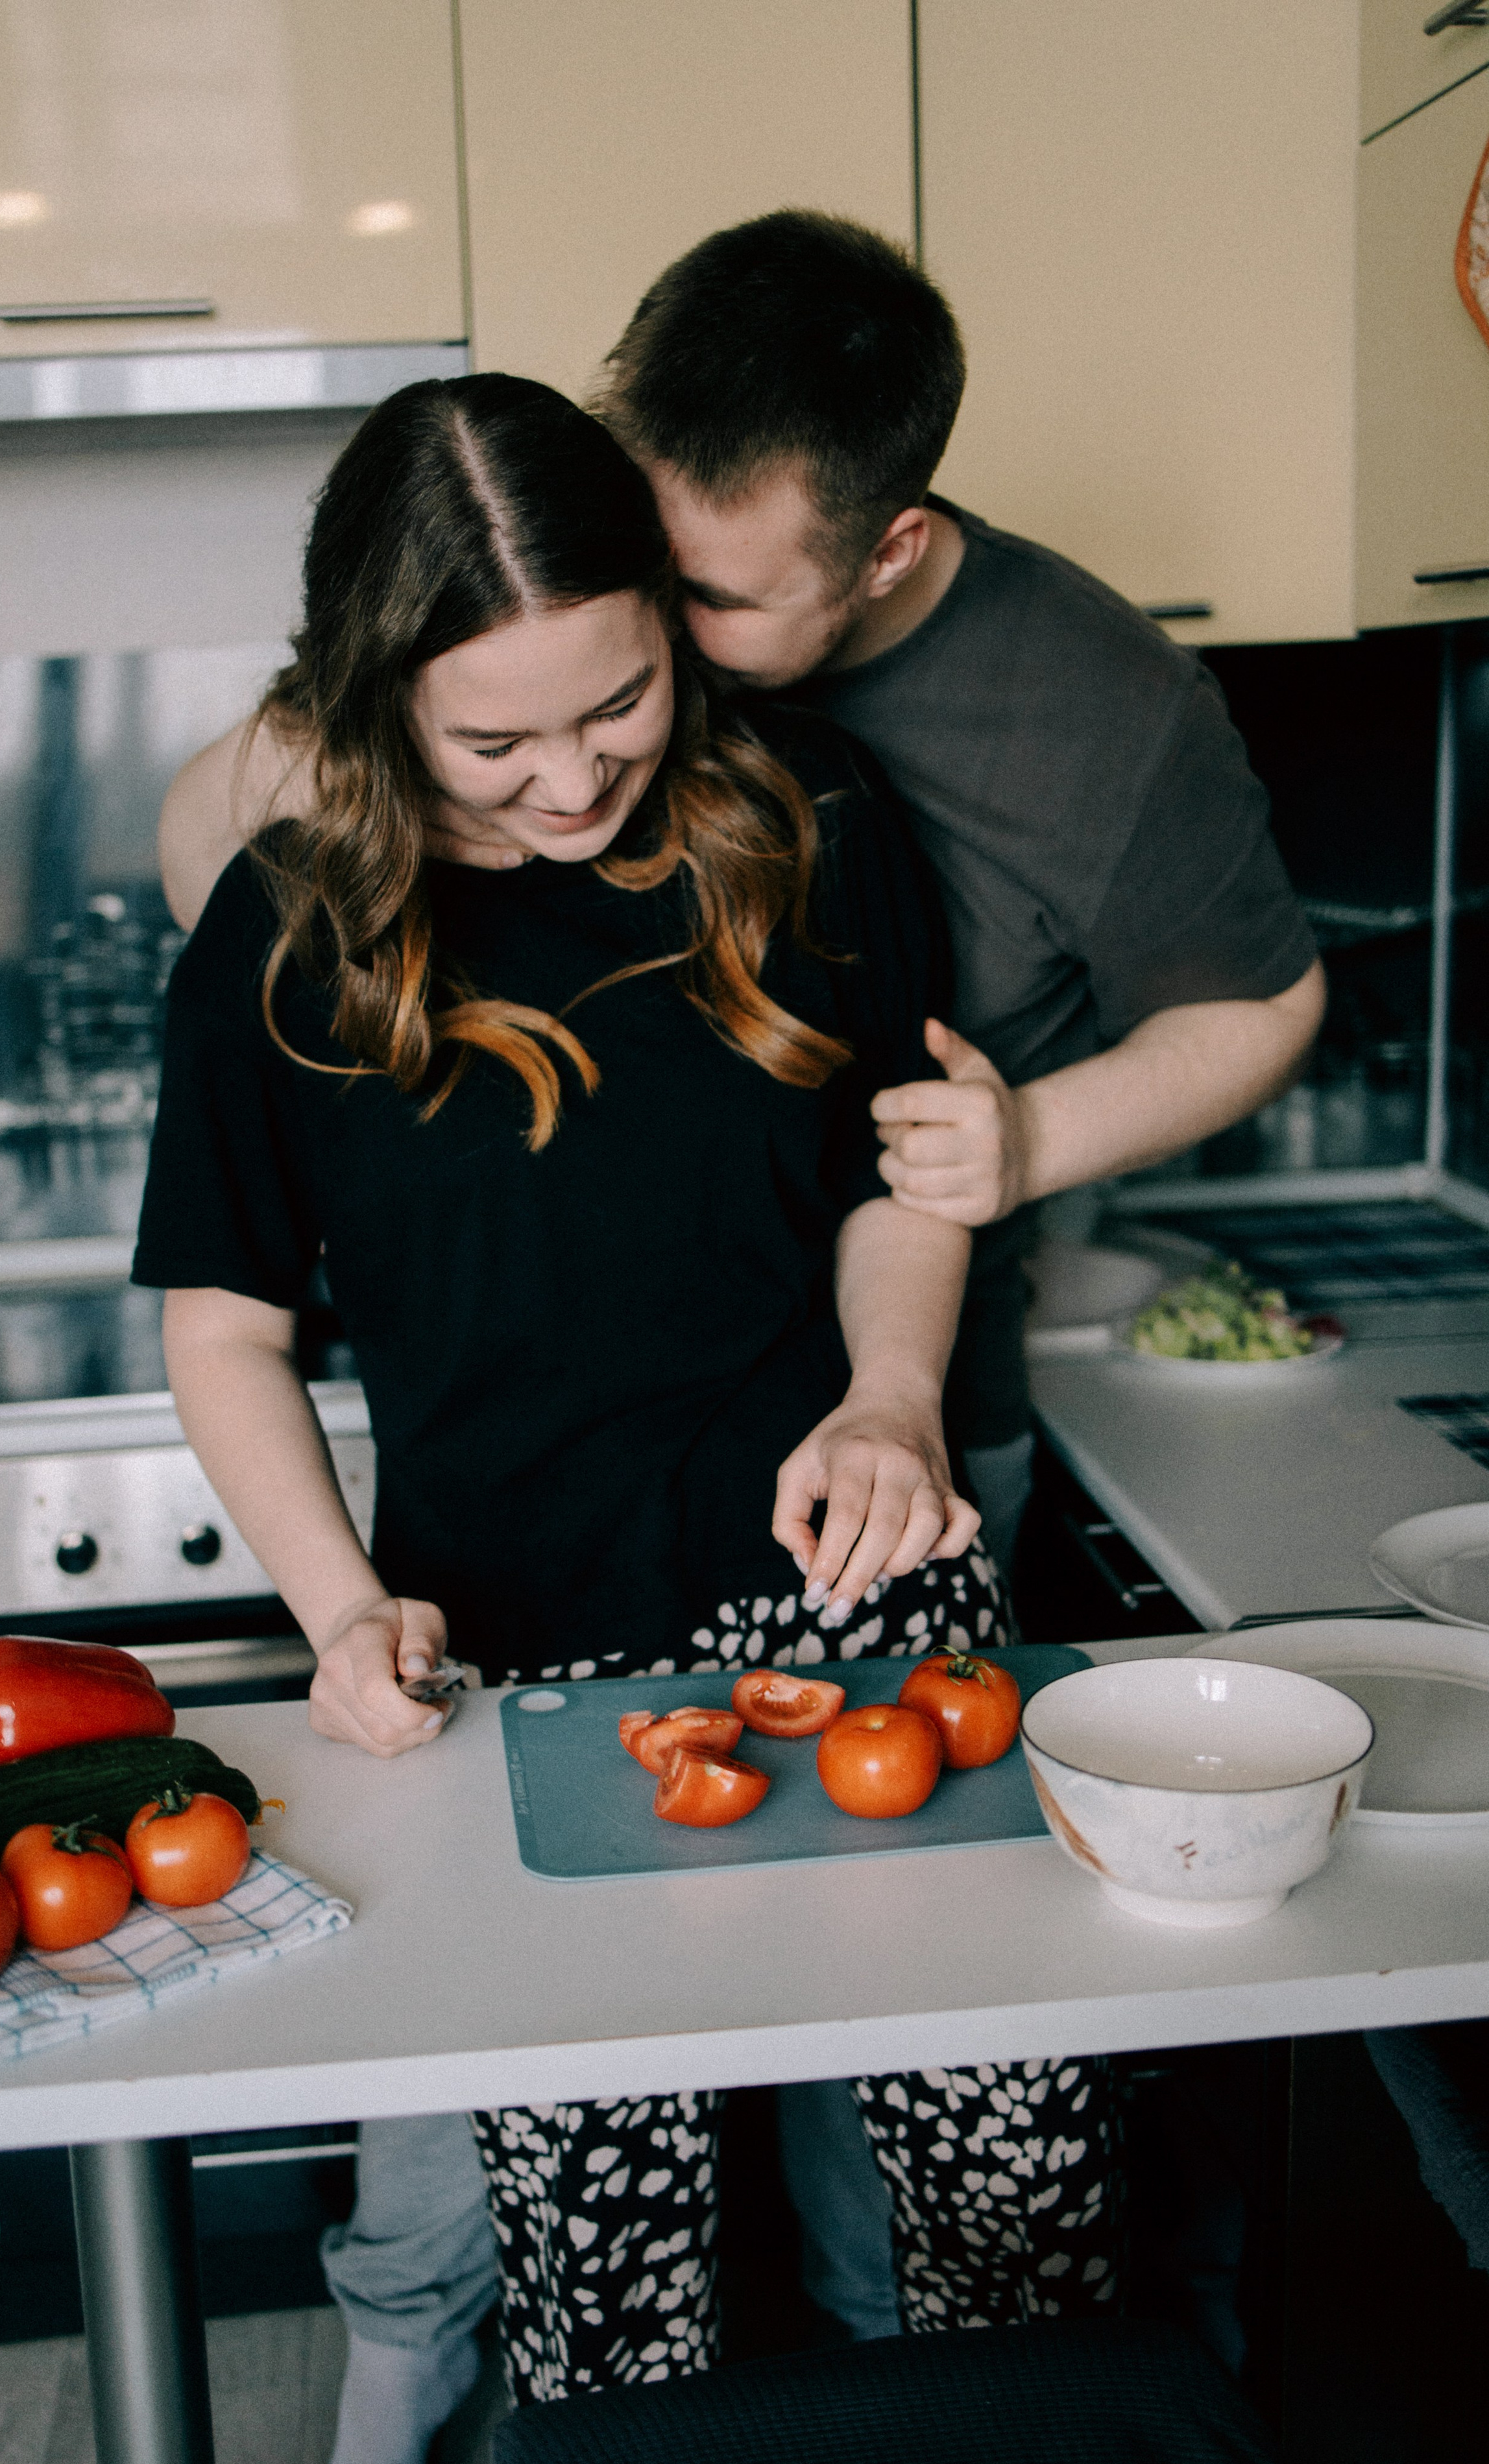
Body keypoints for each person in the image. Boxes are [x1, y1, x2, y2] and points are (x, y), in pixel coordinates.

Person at [134, 373, 1122, 2464]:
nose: (574, 776)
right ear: (375, 700)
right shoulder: (293, 931)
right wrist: (338, 1609)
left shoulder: (813, 817)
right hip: (530, 1663)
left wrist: (887, 1397)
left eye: (623, 703)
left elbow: (898, 1175)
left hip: (872, 1619)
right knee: (610, 2281)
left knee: (1001, 2217)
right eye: (498, 739)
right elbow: (224, 1329)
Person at [161, 212, 1324, 1583]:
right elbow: (222, 865)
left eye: (690, 606)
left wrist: (1017, 1143)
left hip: (890, 1429)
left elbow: (1260, 1008)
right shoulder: (563, 621)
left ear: (882, 554)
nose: (641, 629)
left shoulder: (1101, 717)